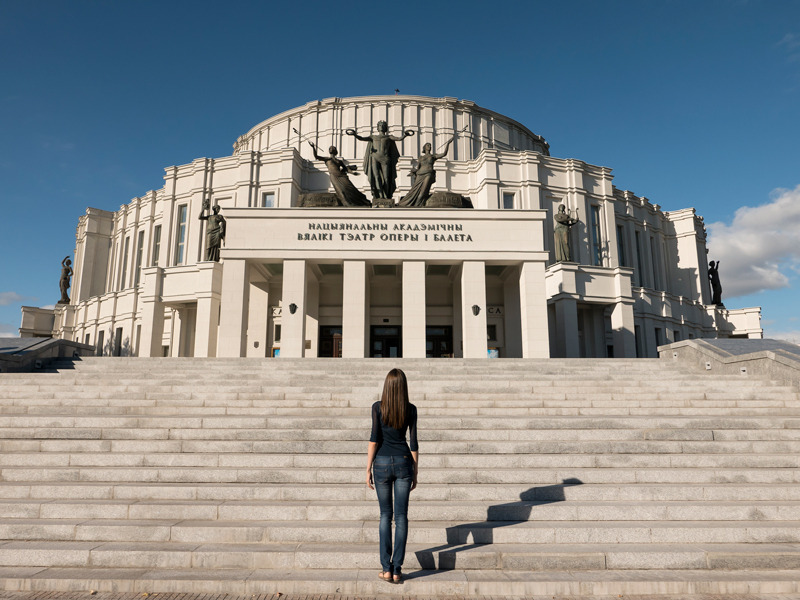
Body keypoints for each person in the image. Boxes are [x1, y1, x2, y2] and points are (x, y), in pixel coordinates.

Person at [366, 368, 419, 584]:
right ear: (404, 386)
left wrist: (367, 468)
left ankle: (386, 569)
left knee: (385, 516)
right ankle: (397, 570)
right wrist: (415, 471)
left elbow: (374, 439)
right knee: (402, 516)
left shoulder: (377, 407)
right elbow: (413, 442)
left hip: (381, 463)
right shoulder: (411, 409)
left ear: (386, 386)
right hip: (404, 462)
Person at [347, 121, 414, 200]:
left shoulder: (389, 137)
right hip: (374, 158)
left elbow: (399, 139)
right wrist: (355, 134)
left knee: (386, 178)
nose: (381, 126)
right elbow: (361, 138)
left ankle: (387, 196)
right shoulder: (373, 137)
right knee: (376, 176)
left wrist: (405, 135)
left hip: (385, 159)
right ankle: (379, 195)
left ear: (385, 128)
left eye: (383, 125)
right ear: (377, 127)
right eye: (380, 125)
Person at [308, 142, 371, 207]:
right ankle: (347, 204)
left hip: (341, 176)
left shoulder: (339, 161)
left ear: (335, 151)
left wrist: (352, 173)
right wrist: (313, 147)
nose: (331, 148)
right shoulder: (327, 159)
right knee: (340, 191)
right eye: (330, 148)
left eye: (333, 148)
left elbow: (346, 169)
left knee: (350, 188)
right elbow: (316, 156)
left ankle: (361, 202)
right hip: (334, 176)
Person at [399, 137, 454, 207]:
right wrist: (414, 172)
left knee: (422, 193)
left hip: (428, 174)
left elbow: (444, 154)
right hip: (420, 175)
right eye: (428, 145)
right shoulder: (421, 158)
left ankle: (417, 206)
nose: (430, 146)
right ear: (424, 148)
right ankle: (406, 204)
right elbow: (418, 168)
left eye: (430, 145)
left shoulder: (433, 156)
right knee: (413, 191)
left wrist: (448, 143)